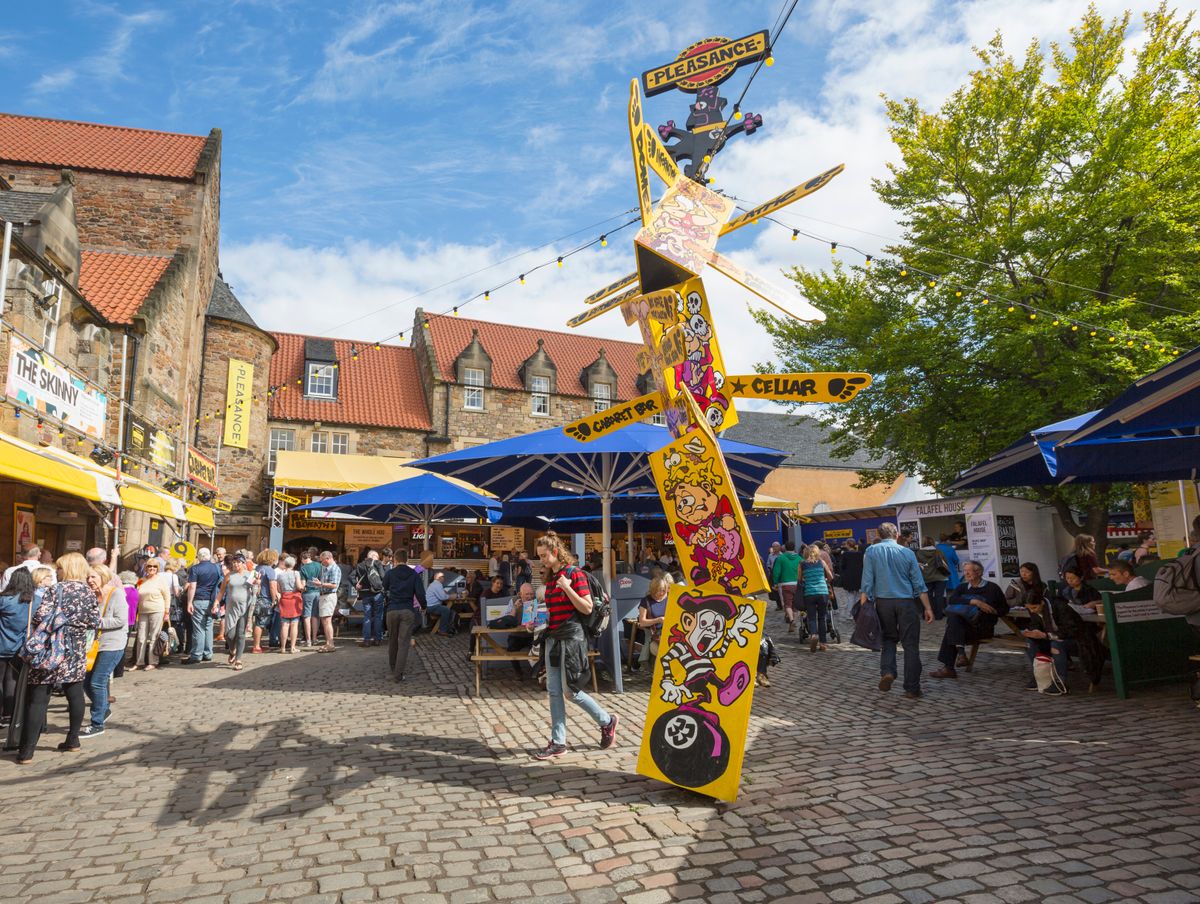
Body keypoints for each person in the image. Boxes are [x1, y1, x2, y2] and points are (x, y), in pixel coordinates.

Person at [532, 531, 618, 760]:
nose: (541, 560)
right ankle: (558, 742)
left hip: (571, 639)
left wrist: (567, 587)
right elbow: (553, 609)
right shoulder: (551, 577)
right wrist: (538, 621)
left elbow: (587, 608)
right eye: (539, 556)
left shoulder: (575, 574)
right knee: (553, 691)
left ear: (555, 552)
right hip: (552, 637)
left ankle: (606, 720)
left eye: (543, 556)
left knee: (570, 691)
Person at [15, 552, 100, 764]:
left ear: (68, 569)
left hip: (51, 647)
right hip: (76, 649)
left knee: (39, 698)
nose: (57, 572)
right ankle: (72, 740)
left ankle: (27, 751)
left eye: (60, 568)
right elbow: (94, 621)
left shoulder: (56, 590)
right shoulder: (88, 592)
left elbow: (41, 616)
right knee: (75, 693)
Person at [860, 522, 932, 699]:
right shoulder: (907, 553)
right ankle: (912, 688)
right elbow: (918, 583)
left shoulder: (871, 551)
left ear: (879, 534)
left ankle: (888, 671)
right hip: (906, 602)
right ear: (897, 534)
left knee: (888, 640)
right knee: (910, 645)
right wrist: (928, 607)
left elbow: (867, 580)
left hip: (883, 602)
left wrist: (864, 604)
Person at [931, 560, 1008, 679]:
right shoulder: (962, 587)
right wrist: (975, 602)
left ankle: (950, 667)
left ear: (978, 572)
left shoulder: (992, 588)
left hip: (982, 628)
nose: (966, 574)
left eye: (969, 571)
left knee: (952, 627)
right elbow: (952, 600)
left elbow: (1005, 608)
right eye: (965, 571)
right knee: (954, 622)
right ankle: (959, 656)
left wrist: (994, 611)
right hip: (964, 629)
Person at [81, 564, 127, 737]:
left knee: (97, 682)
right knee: (86, 682)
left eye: (93, 577)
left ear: (102, 576)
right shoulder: (92, 595)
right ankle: (104, 709)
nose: (89, 580)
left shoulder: (116, 594)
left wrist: (96, 622)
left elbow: (120, 620)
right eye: (88, 577)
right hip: (94, 646)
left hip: (113, 644)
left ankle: (97, 723)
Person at [381, 550, 425, 682]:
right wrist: (424, 606)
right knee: (404, 643)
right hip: (407, 609)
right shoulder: (414, 574)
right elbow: (420, 594)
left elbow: (384, 588)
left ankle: (393, 668)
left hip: (392, 610)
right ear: (407, 559)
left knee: (393, 641)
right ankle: (398, 674)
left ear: (395, 559)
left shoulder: (390, 573)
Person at [0, 569, 35, 729]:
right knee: (12, 680)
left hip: (2, 645)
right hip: (21, 648)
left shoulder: (4, 599)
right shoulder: (35, 601)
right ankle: (9, 715)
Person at [183, 548, 223, 664]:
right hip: (212, 600)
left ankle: (197, 655)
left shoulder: (195, 568)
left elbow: (192, 586)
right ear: (209, 556)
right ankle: (208, 653)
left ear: (199, 557)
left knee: (199, 628)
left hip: (199, 600)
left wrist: (189, 602)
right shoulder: (216, 567)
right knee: (208, 627)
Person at [131, 557, 172, 670]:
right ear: (146, 567)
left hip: (157, 610)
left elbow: (167, 596)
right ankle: (139, 662)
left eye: (154, 567)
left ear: (157, 568)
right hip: (143, 611)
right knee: (141, 637)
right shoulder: (141, 580)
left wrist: (167, 611)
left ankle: (153, 662)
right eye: (149, 566)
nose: (152, 568)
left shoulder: (161, 580)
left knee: (154, 636)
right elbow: (134, 590)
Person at [219, 554, 255, 670]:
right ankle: (232, 650)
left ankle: (238, 659)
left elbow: (255, 591)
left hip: (244, 607)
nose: (235, 564)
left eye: (238, 562)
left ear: (243, 563)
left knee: (241, 634)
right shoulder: (229, 576)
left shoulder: (249, 575)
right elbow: (221, 591)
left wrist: (257, 583)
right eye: (234, 562)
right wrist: (216, 603)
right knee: (230, 635)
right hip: (231, 608)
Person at [801, 544, 834, 653]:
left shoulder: (802, 564)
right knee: (822, 618)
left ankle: (814, 635)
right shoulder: (822, 562)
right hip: (822, 592)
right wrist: (823, 579)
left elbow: (799, 579)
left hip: (809, 593)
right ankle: (823, 643)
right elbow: (830, 577)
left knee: (811, 617)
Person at [635, 575, 670, 672]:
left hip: (669, 634)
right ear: (653, 589)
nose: (662, 593)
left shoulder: (669, 598)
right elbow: (642, 622)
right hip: (653, 636)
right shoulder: (646, 601)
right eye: (659, 590)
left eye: (664, 590)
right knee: (664, 653)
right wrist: (658, 620)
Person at [351, 551, 386, 647]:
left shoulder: (360, 565)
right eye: (377, 557)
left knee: (367, 617)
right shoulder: (377, 563)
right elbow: (383, 577)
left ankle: (366, 640)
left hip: (365, 593)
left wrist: (356, 584)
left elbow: (351, 576)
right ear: (374, 556)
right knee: (378, 616)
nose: (378, 559)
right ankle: (377, 639)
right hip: (377, 593)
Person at [273, 555, 305, 653]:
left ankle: (282, 647)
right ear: (294, 564)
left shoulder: (279, 575)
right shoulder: (296, 573)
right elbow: (299, 586)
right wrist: (304, 586)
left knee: (284, 625)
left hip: (284, 598)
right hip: (294, 598)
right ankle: (292, 647)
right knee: (294, 624)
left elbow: (278, 589)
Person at [916, 537, 952, 619]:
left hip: (926, 578)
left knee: (928, 596)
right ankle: (939, 615)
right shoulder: (938, 551)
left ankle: (928, 615)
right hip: (941, 577)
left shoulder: (919, 553)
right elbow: (945, 563)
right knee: (939, 596)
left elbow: (917, 565)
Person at [251, 549, 279, 653]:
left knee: (258, 622)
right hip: (265, 598)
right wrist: (273, 599)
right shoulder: (270, 570)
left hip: (256, 598)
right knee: (261, 623)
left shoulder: (257, 568)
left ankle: (257, 644)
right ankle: (256, 646)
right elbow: (272, 586)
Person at [771, 541, 802, 633]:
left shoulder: (781, 558)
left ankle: (791, 619)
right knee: (796, 604)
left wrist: (775, 582)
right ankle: (795, 621)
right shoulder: (800, 558)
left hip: (786, 584)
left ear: (784, 548)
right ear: (794, 548)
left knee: (787, 604)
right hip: (797, 583)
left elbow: (776, 572)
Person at [313, 551, 340, 652]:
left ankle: (331, 644)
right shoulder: (327, 568)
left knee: (327, 621)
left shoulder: (334, 568)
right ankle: (328, 643)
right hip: (325, 595)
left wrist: (321, 584)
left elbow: (334, 585)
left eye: (322, 560)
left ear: (328, 558)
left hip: (329, 596)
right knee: (325, 621)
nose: (321, 563)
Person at [298, 549, 322, 648]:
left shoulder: (303, 568)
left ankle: (308, 640)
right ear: (310, 557)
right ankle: (315, 638)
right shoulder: (318, 565)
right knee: (315, 616)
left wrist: (300, 590)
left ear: (303, 559)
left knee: (307, 617)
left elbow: (303, 585)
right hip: (317, 592)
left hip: (307, 593)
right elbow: (321, 579)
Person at [934, 533, 962, 612]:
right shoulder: (950, 548)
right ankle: (952, 609)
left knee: (941, 593)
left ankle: (942, 609)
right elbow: (956, 561)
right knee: (951, 593)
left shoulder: (936, 548)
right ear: (947, 540)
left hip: (939, 573)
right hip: (950, 573)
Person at [425, 571, 455, 636]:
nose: (444, 578)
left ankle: (450, 628)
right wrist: (452, 596)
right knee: (446, 610)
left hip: (430, 606)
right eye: (442, 577)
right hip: (432, 607)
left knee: (451, 611)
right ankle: (442, 630)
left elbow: (443, 593)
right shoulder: (437, 585)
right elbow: (442, 597)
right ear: (439, 578)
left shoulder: (435, 584)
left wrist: (449, 595)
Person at [764, 541, 782, 611]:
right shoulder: (770, 555)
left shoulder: (782, 555)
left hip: (780, 574)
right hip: (773, 574)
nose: (775, 548)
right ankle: (779, 605)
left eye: (776, 546)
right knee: (775, 590)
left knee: (781, 590)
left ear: (779, 547)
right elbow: (768, 564)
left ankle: (783, 603)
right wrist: (769, 569)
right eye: (773, 546)